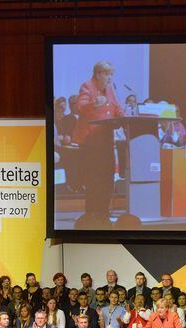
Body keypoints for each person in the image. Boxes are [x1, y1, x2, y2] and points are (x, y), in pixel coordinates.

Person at [71, 60, 124, 216]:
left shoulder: (110, 89)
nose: (110, 77)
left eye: (111, 74)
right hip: (91, 143)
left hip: (106, 141)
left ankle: (103, 213)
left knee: (107, 178)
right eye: (107, 74)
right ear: (98, 74)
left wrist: (124, 116)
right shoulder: (87, 86)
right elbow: (80, 106)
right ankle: (93, 215)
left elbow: (116, 108)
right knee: (94, 180)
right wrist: (94, 104)